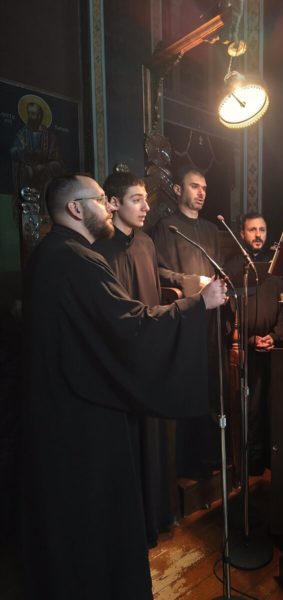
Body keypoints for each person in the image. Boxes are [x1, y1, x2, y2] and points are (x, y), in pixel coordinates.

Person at [21, 173, 227, 600]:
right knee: (96, 517)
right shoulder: (76, 259)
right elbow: (130, 327)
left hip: (59, 408)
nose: (108, 206)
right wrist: (196, 305)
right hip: (83, 414)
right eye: (101, 199)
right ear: (76, 208)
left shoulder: (51, 253)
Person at [93, 171, 178, 547]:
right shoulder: (98, 248)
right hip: (117, 361)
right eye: (136, 199)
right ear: (113, 203)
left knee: (153, 441)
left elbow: (153, 294)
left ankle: (157, 516)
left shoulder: (146, 243)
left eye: (146, 199)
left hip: (149, 353)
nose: (146, 207)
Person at [151, 166, 222, 478]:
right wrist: (192, 281)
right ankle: (186, 464)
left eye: (204, 187)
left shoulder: (211, 229)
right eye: (194, 186)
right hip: (183, 315)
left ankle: (210, 458)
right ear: (178, 190)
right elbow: (158, 270)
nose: (201, 192)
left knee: (211, 383)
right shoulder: (166, 227)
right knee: (188, 382)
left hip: (212, 319)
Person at [225, 212, 283, 475]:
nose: (258, 235)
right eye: (252, 230)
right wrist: (249, 338)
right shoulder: (232, 268)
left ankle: (271, 462)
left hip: (274, 350)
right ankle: (249, 464)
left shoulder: (277, 267)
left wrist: (274, 336)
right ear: (242, 234)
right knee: (249, 409)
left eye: (262, 229)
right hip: (246, 351)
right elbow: (227, 315)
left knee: (273, 407)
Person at [10, 97, 64, 214]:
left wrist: (43, 167)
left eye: (33, 114)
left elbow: (57, 162)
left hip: (43, 181)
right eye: (29, 113)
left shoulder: (50, 137)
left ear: (40, 115)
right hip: (26, 181)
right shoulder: (22, 133)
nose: (30, 117)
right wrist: (22, 154)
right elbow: (13, 151)